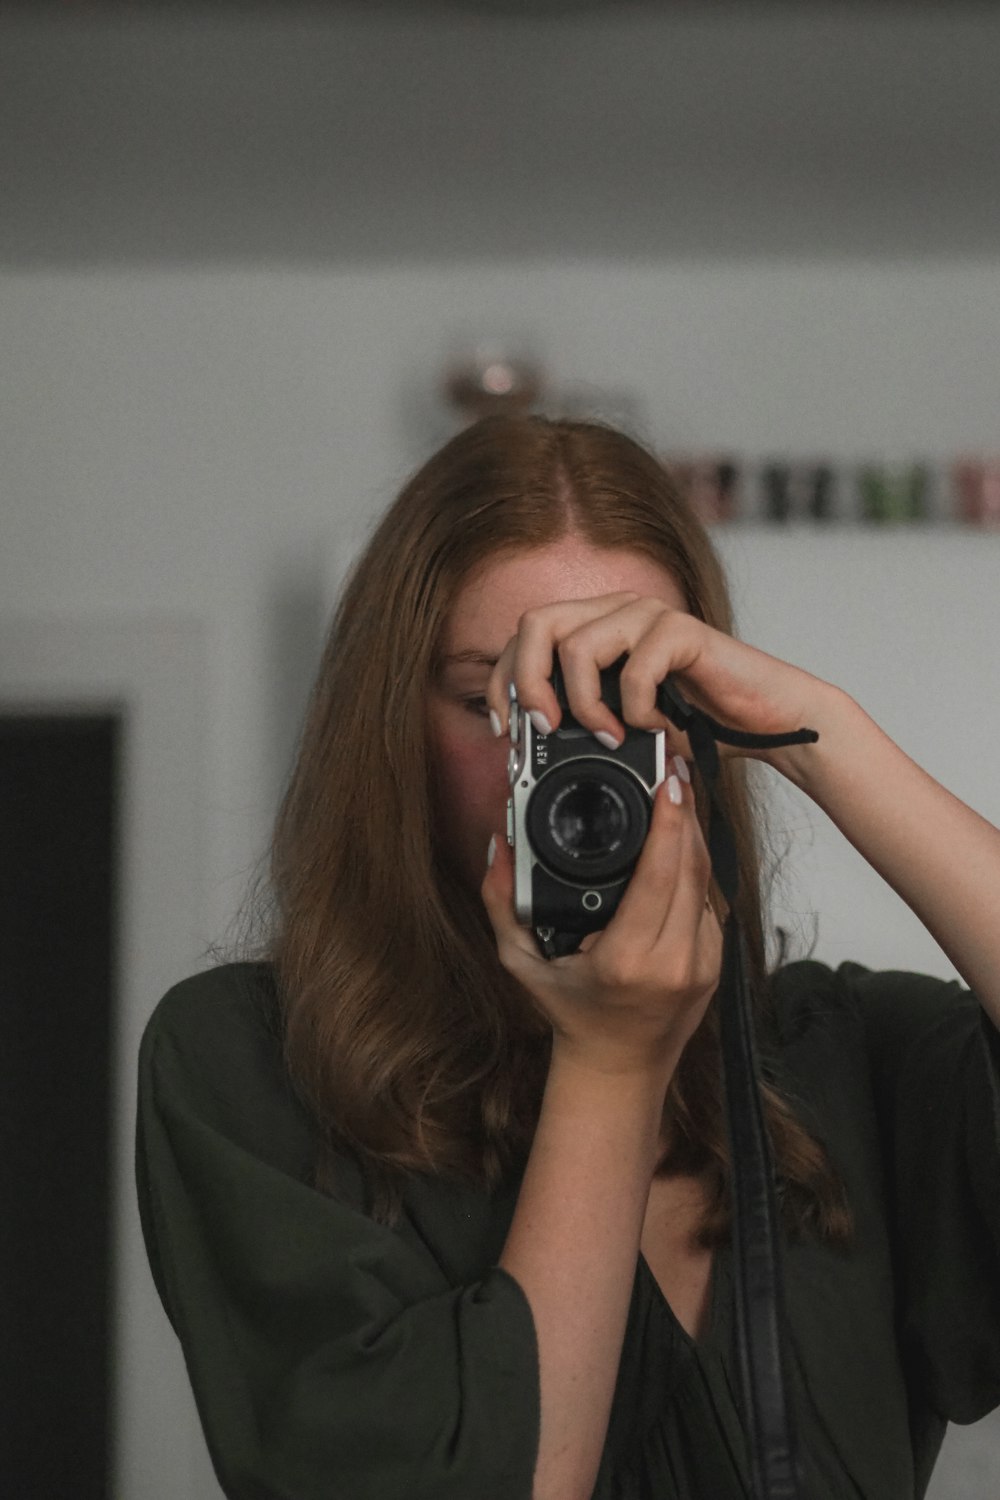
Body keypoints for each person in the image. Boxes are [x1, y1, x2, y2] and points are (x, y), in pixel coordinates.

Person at [136, 415, 1000, 1500]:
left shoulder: (834, 1059)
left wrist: (821, 729)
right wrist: (610, 1066)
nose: (568, 756)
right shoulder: (255, 1066)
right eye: (497, 702)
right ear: (391, 728)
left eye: (632, 695)